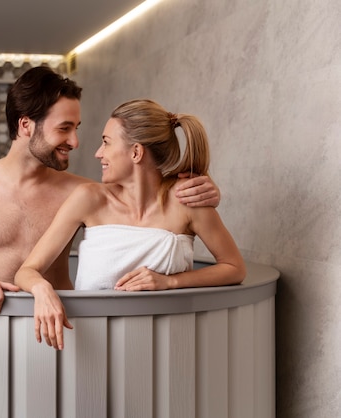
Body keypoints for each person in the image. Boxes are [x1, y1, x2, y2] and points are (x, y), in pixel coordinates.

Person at [0, 67, 221, 323]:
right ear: (26, 126)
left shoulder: (82, 192)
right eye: (64, 128)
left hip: (68, 322)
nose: (76, 142)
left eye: (76, 128)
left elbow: (147, 197)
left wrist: (204, 190)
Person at [14, 99, 246, 350]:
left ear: (136, 152)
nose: (98, 153)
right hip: (91, 342)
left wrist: (170, 282)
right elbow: (26, 271)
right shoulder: (89, 199)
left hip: (169, 343)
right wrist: (42, 290)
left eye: (106, 142)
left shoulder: (186, 200)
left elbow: (234, 267)